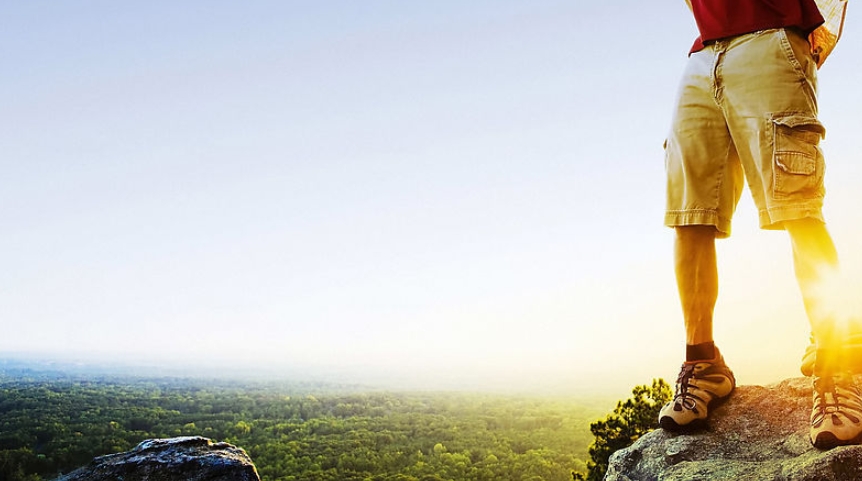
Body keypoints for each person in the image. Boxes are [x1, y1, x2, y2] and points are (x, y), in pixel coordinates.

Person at [658, 0, 859, 449]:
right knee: (690, 215)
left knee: (797, 206)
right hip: (702, 55)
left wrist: (817, 33)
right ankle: (703, 363)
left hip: (772, 36)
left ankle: (839, 360)